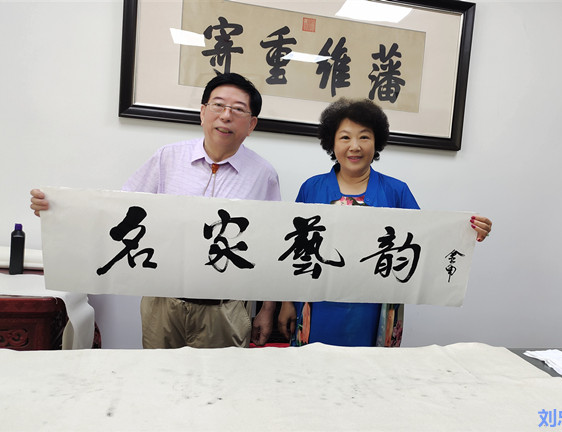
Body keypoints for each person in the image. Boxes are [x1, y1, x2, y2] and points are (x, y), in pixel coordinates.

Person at [30, 73, 280, 349]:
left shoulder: (263, 174)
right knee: (158, 373)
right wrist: (60, 213)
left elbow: (269, 245)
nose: (226, 115)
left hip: (226, 309)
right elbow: (118, 211)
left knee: (219, 376)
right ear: (202, 112)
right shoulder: (167, 158)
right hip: (162, 303)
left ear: (251, 124)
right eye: (218, 105)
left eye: (238, 109)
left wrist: (267, 308)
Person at [277, 98, 492, 347]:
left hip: (377, 309)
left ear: (376, 141)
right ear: (331, 143)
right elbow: (295, 252)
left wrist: (468, 230)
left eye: (364, 137)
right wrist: (286, 303)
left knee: (373, 369)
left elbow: (426, 240)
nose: (355, 146)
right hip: (317, 307)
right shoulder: (311, 188)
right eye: (345, 137)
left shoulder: (396, 191)